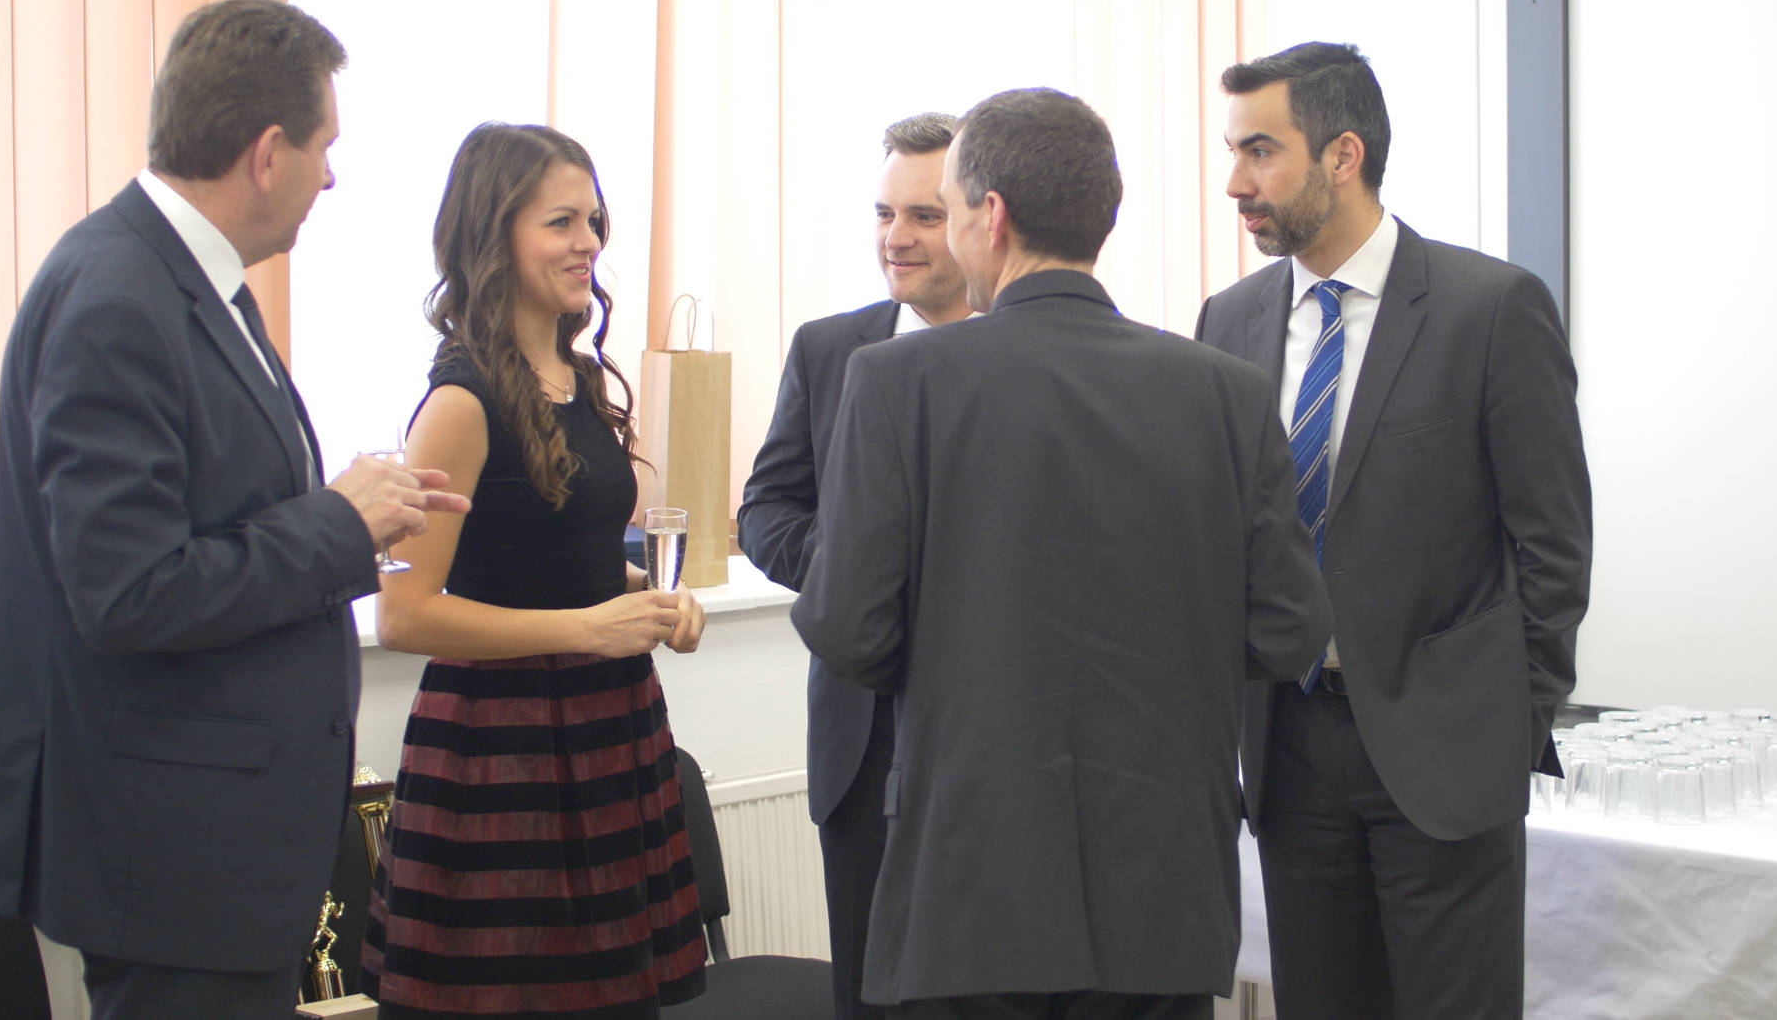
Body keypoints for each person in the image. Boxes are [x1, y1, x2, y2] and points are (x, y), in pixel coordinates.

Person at [0, 0, 469, 1020]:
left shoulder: (189, 281)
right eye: (324, 147)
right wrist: (340, 523)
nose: (332, 176)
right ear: (267, 153)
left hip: (213, 851)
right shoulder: (117, 297)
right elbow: (128, 591)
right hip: (174, 860)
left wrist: (357, 509)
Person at [792, 88, 1333, 1020]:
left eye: (947, 208)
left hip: (969, 875)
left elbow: (847, 628)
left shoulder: (894, 382)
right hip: (1164, 876)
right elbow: (1290, 629)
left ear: (991, 217)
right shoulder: (1227, 392)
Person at [1194, 41, 1592, 1019]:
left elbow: (1553, 545)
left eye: (1259, 151)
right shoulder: (1228, 322)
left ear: (1342, 154)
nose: (1236, 183)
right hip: (1287, 749)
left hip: (1444, 752)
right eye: (1232, 152)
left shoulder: (1489, 309)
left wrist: (1509, 724)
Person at [360, 122, 709, 1019]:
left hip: (609, 732)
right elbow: (405, 613)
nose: (588, 242)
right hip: (502, 754)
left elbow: (555, 562)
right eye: (561, 222)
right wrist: (588, 627)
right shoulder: (460, 400)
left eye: (593, 220)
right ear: (495, 236)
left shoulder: (578, 378)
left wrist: (648, 601)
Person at [738, 111, 973, 1020]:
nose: (895, 237)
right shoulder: (829, 348)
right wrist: (853, 569)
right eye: (884, 212)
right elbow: (766, 510)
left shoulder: (1033, 354)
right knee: (868, 995)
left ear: (982, 216)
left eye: (924, 215)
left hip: (992, 738)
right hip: (860, 744)